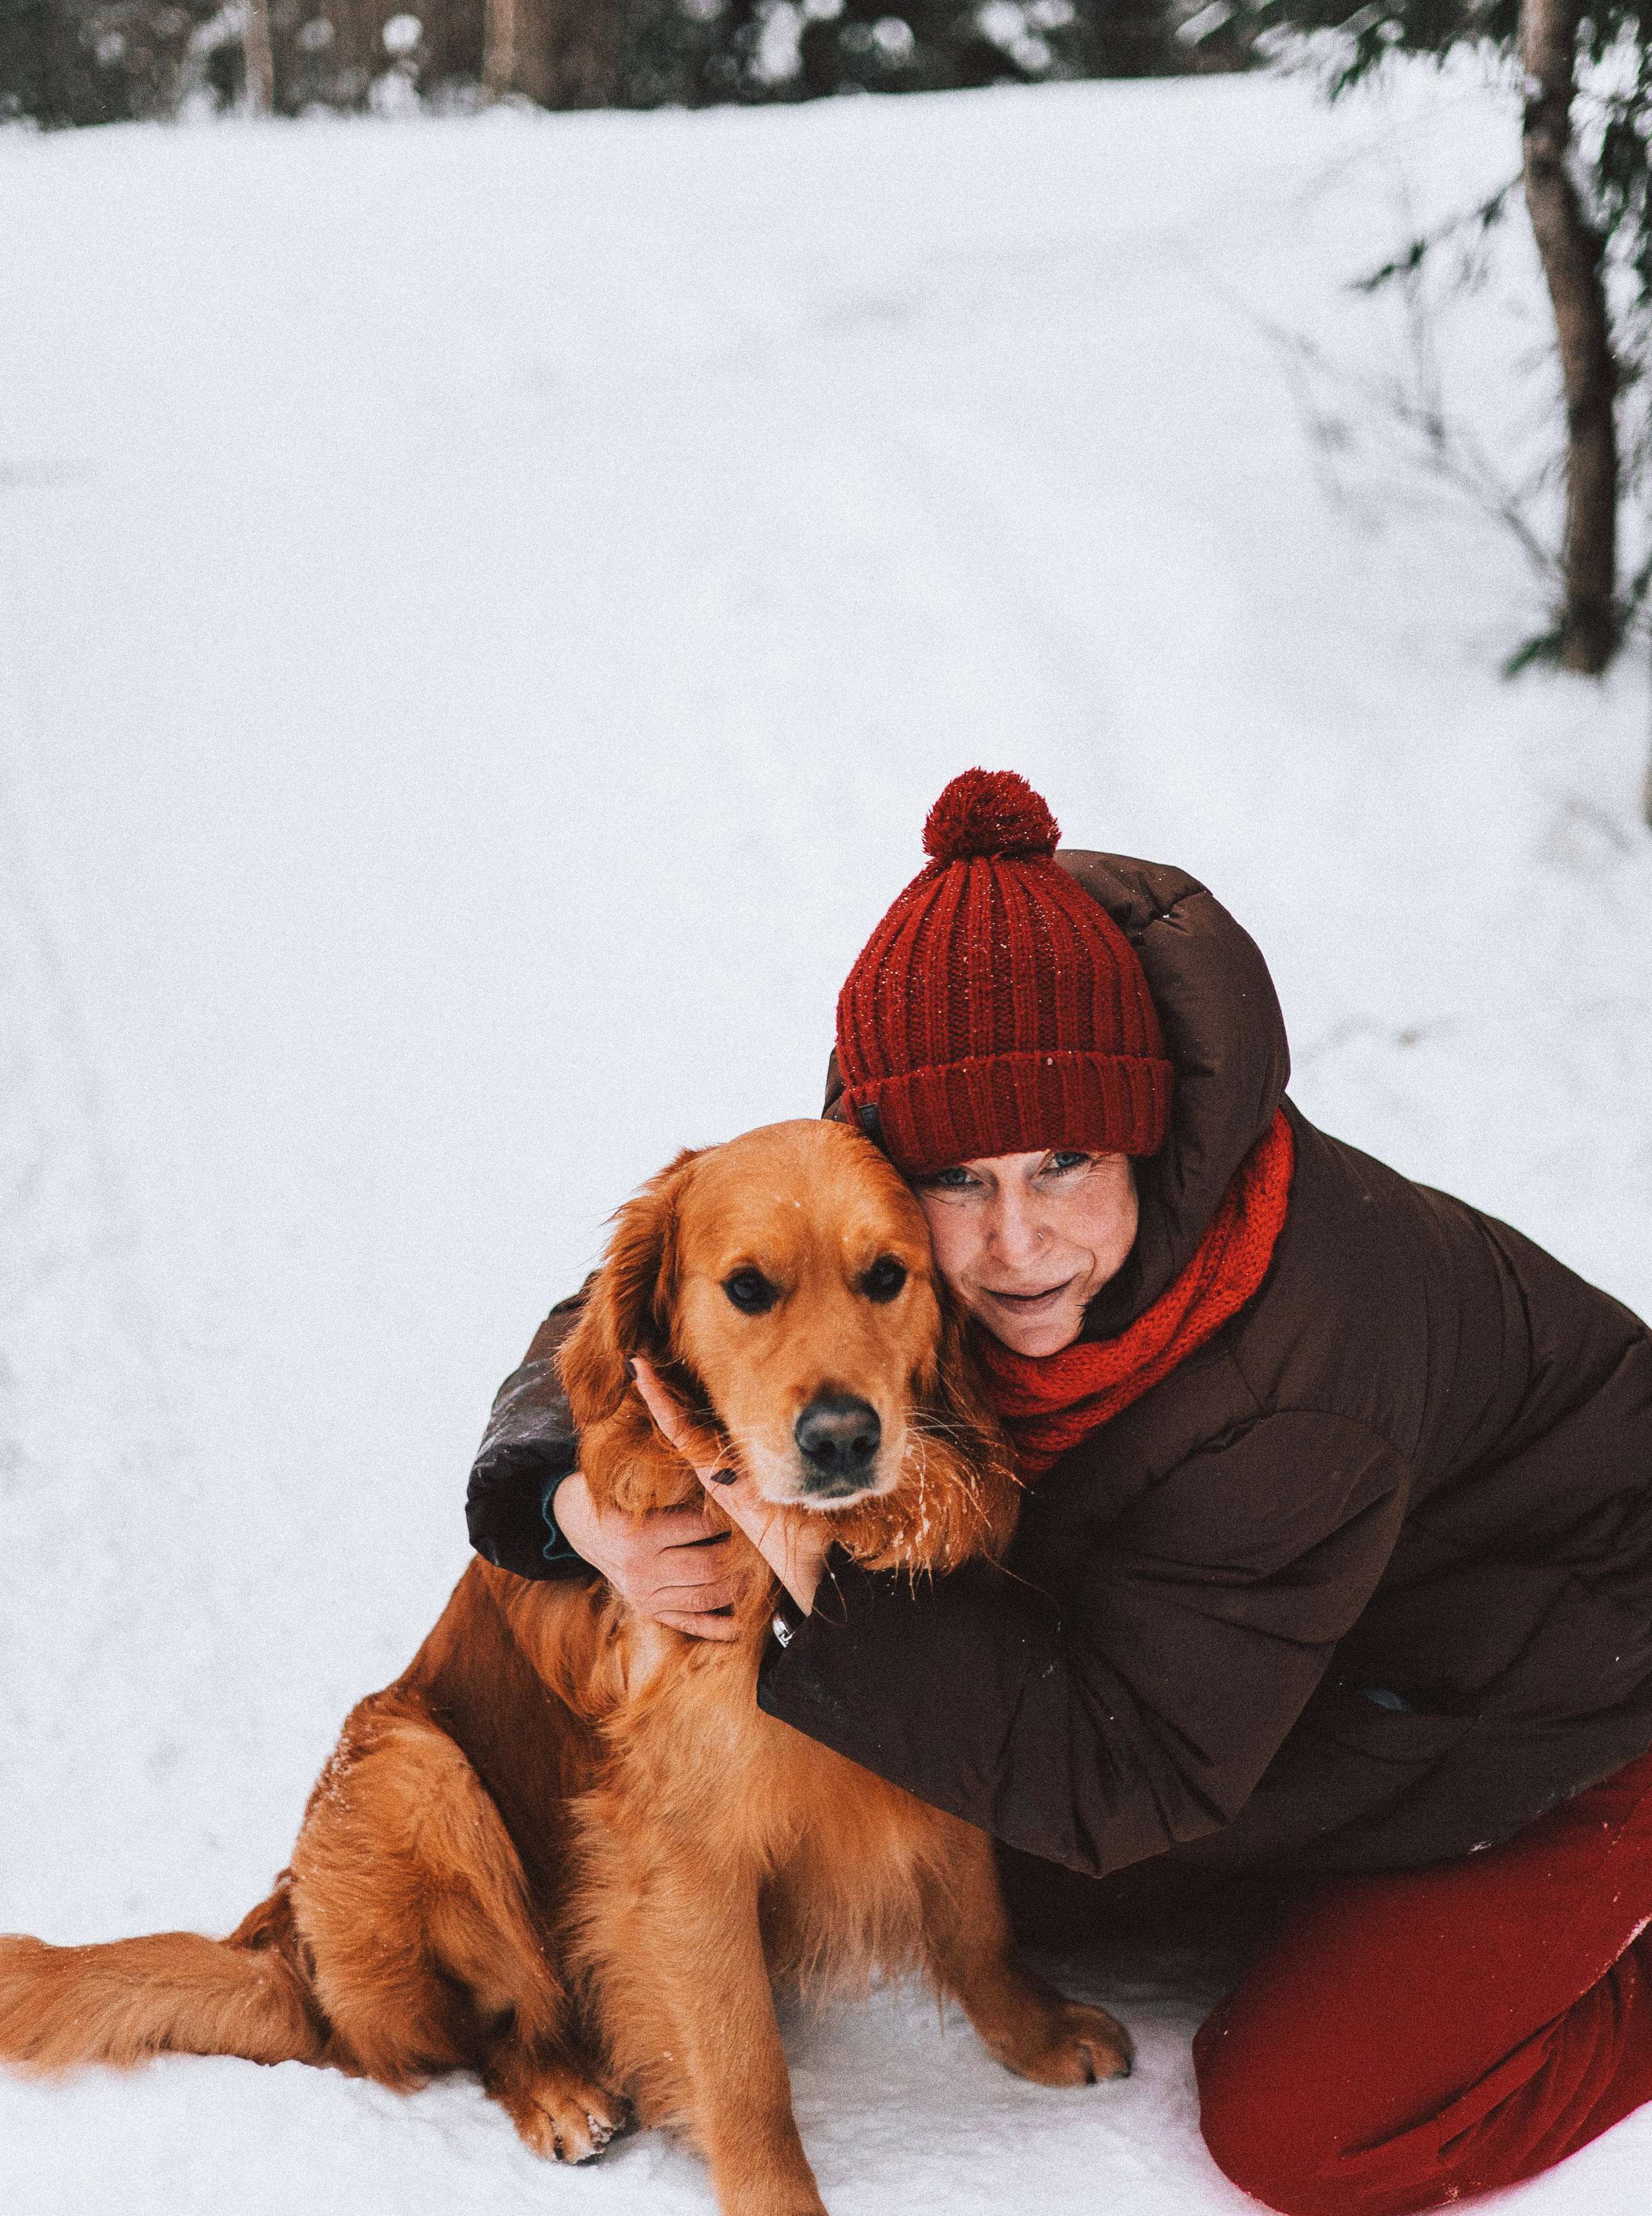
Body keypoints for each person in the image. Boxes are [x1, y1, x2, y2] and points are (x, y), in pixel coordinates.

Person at [465, 768, 1652, 2216]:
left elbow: (1128, 1767)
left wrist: (808, 1569)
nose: (1016, 1244)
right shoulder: (909, 1181)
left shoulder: (1297, 1388)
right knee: (937, 1830)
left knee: (1305, 2127)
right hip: (1283, 1677)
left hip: (1566, 1705)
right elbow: (664, 1292)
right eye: (958, 1180)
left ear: (1146, 1132)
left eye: (1067, 1165)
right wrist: (564, 1505)